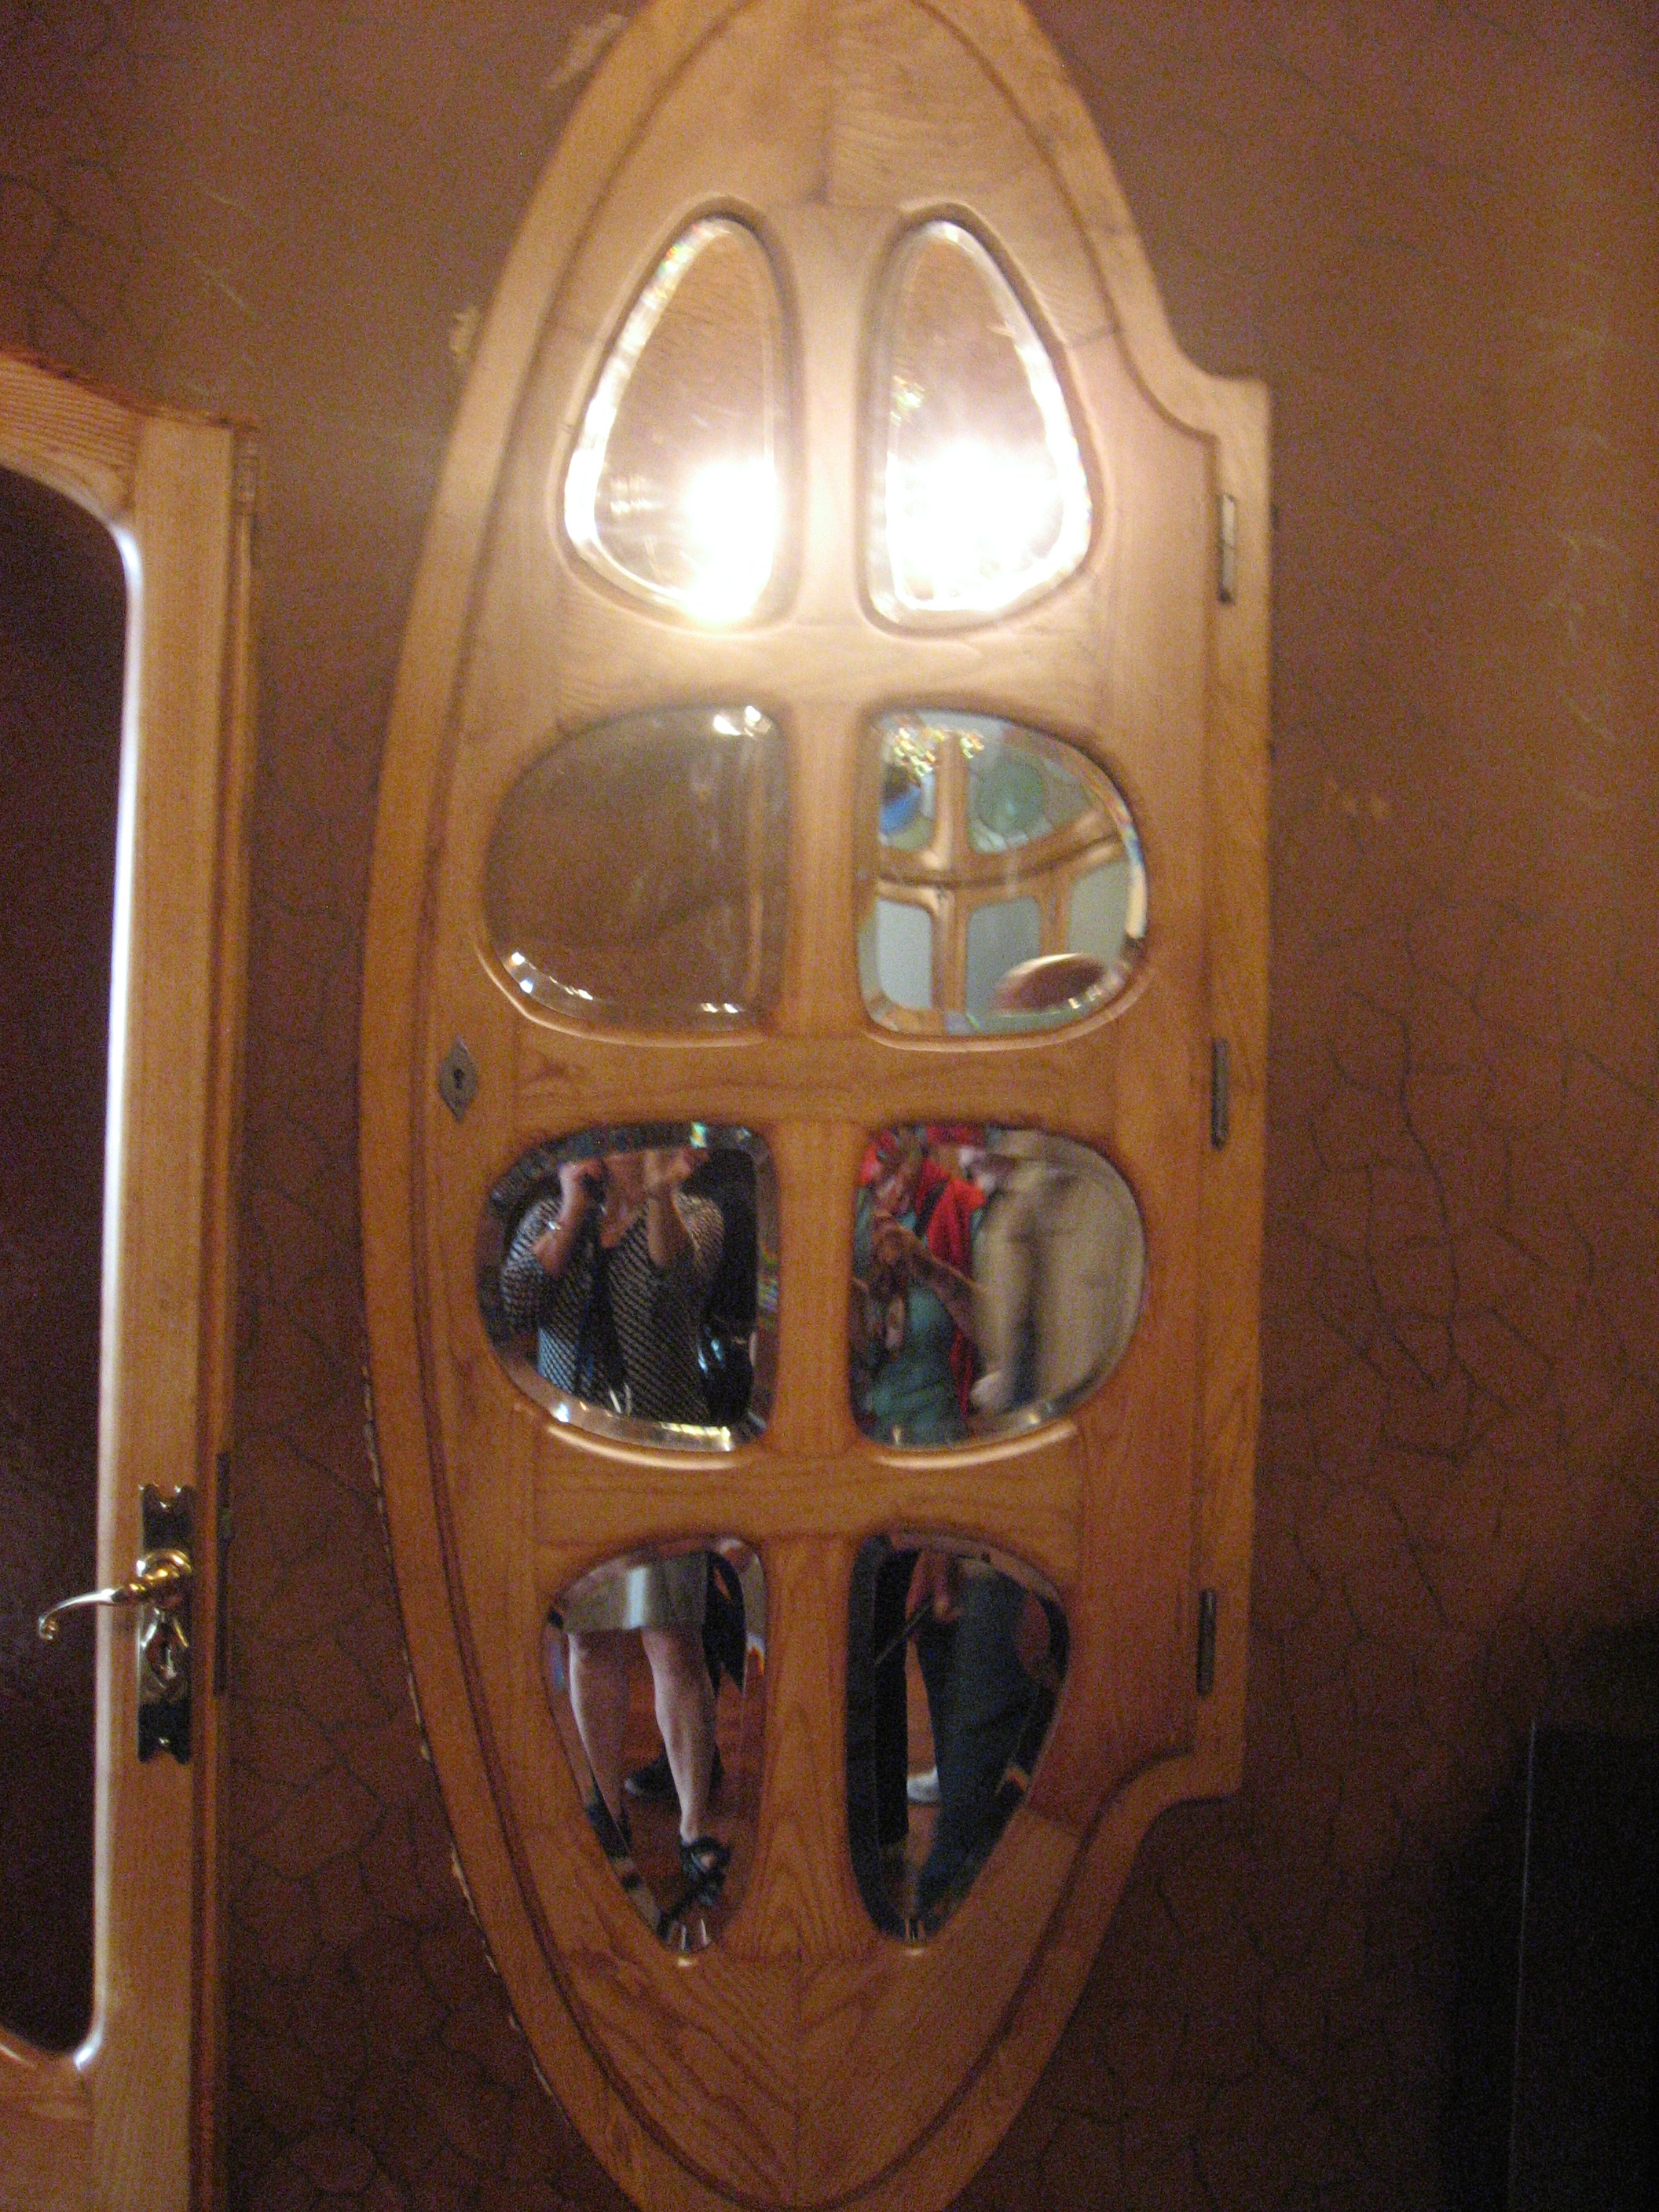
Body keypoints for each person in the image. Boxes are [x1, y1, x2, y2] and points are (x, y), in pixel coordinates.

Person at [500, 1144, 730, 1905]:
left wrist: (657, 1199)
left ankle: (695, 1825)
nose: (608, 1145)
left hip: (662, 1454)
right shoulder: (550, 1213)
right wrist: (572, 1212)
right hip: (575, 1457)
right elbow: (519, 1303)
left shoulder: (696, 1214)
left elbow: (675, 1292)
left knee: (674, 1641)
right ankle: (606, 1810)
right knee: (590, 1638)